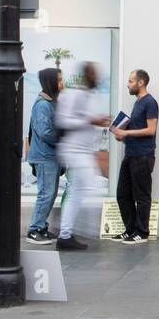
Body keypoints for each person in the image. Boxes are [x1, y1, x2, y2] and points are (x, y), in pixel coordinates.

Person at [55, 61, 109, 251]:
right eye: (94, 74)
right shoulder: (73, 95)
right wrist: (90, 119)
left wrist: (97, 121)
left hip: (83, 152)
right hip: (74, 151)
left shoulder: (87, 96)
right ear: (87, 75)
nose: (97, 78)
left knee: (80, 191)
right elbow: (63, 120)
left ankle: (68, 232)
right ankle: (68, 232)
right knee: (82, 191)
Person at [109, 68, 159, 244]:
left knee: (142, 196)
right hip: (130, 154)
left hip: (143, 156)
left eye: (131, 81)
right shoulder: (137, 102)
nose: (128, 84)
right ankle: (130, 229)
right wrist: (121, 134)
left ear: (141, 82)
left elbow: (151, 130)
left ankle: (142, 232)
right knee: (122, 194)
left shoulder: (150, 102)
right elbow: (137, 127)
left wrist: (127, 134)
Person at [24, 67, 62, 245]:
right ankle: (34, 230)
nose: (62, 84)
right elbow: (45, 132)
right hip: (44, 156)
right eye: (59, 80)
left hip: (50, 156)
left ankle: (41, 227)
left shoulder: (51, 103)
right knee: (45, 194)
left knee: (50, 194)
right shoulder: (42, 105)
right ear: (51, 82)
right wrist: (63, 138)